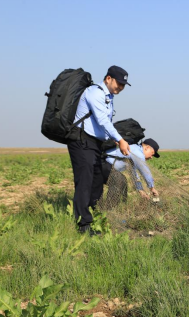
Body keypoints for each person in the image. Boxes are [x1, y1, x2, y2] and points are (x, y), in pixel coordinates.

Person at [67, 65, 131, 235]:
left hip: (94, 144)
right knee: (85, 182)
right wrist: (120, 139)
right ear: (108, 78)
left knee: (96, 182)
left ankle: (94, 215)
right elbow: (102, 120)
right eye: (119, 83)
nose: (121, 88)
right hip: (81, 141)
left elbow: (103, 124)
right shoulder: (94, 93)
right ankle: (83, 226)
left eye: (124, 85)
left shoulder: (108, 96)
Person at [102, 138, 161, 203]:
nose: (151, 157)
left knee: (121, 180)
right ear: (147, 148)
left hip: (106, 166)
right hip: (104, 164)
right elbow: (145, 171)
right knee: (119, 180)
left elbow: (134, 174)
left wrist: (140, 190)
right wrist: (152, 188)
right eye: (152, 153)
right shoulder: (138, 153)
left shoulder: (134, 151)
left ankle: (102, 207)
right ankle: (110, 208)